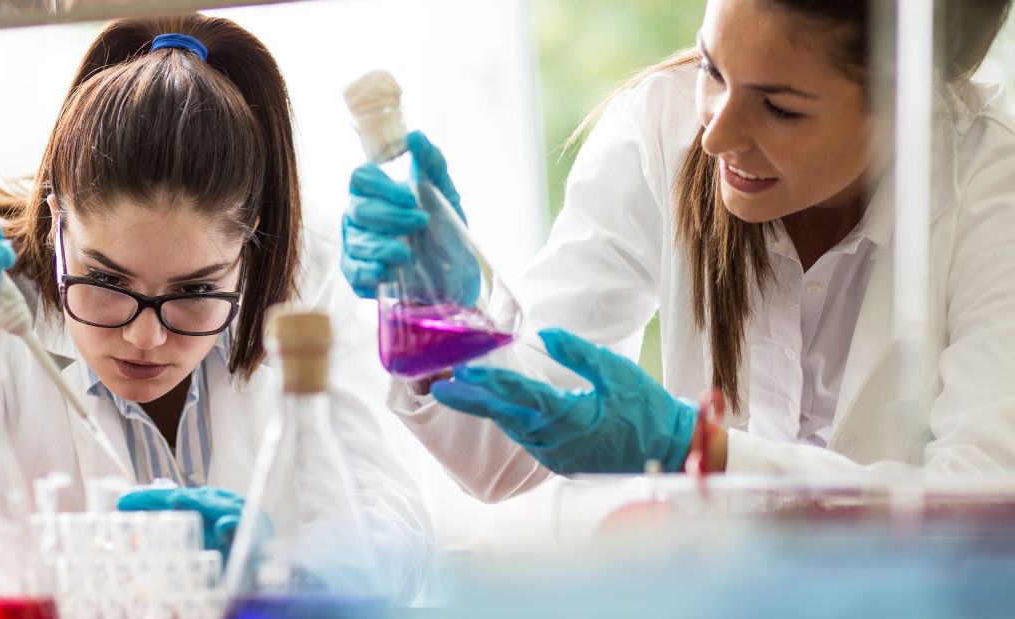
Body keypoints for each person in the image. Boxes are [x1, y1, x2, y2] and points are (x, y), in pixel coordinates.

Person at [0, 15, 432, 602]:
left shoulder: (304, 281)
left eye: (196, 292)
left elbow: (389, 520)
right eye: (105, 280)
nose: (145, 338)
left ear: (249, 241)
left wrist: (281, 571)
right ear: (56, 222)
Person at [341, 0, 1015, 502]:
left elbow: (982, 507)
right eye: (712, 69)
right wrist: (448, 321)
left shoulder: (993, 190)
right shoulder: (657, 129)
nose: (716, 137)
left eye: (779, 107)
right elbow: (504, 456)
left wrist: (701, 450)